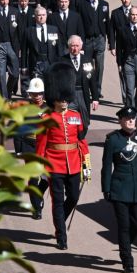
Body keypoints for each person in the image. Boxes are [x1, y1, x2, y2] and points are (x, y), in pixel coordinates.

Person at [36, 62, 91, 250]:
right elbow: (41, 144)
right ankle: (61, 234)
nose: (65, 101)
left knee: (74, 197)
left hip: (74, 163)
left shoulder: (75, 115)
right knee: (57, 200)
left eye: (66, 98)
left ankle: (60, 221)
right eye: (61, 99)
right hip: (54, 164)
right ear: (55, 98)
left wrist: (87, 164)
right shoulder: (47, 119)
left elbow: (81, 141)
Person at [101, 106, 137, 273]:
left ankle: (125, 244)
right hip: (120, 189)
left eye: (133, 118)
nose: (131, 121)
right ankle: (127, 261)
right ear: (120, 121)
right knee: (124, 226)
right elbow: (107, 166)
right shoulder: (113, 140)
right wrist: (106, 189)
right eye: (127, 119)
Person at [13, 77, 49, 220]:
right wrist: (18, 150)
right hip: (29, 146)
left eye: (40, 93)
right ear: (30, 95)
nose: (37, 96)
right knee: (33, 178)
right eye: (34, 94)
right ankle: (36, 208)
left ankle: (38, 194)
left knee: (47, 178)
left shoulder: (50, 108)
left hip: (45, 146)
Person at [110, 0, 137, 103]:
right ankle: (127, 102)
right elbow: (111, 30)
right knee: (124, 77)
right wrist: (112, 46)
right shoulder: (115, 13)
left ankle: (134, 101)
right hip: (123, 51)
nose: (125, 0)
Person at [61, 35, 99, 137]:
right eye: (72, 46)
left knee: (85, 121)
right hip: (70, 96)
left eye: (77, 45)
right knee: (69, 119)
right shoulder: (62, 61)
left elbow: (92, 80)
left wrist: (95, 98)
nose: (75, 48)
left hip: (83, 94)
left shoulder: (87, 60)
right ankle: (72, 139)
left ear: (81, 46)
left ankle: (81, 138)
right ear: (69, 47)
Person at [79, 0, 110, 97]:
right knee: (87, 66)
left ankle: (97, 90)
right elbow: (79, 23)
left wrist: (111, 42)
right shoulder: (82, 4)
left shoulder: (104, 4)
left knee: (100, 66)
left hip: (100, 39)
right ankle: (87, 88)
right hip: (87, 40)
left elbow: (108, 23)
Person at [21, 6, 60, 82]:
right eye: (39, 15)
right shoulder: (28, 31)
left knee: (50, 86)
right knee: (37, 87)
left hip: (50, 63)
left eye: (43, 15)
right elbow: (24, 51)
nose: (41, 17)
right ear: (35, 16)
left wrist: (58, 65)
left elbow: (58, 49)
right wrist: (23, 66)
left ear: (46, 16)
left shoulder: (54, 29)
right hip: (35, 64)